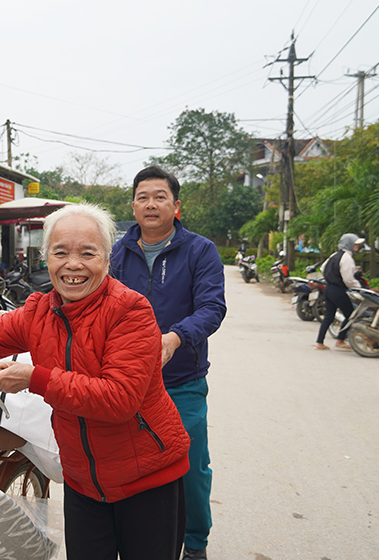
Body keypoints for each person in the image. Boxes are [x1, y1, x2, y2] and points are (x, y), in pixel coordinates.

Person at [0, 203, 191, 560]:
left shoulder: (130, 311)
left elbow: (119, 400)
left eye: (88, 253)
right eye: (61, 252)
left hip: (147, 480)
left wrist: (34, 378)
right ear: (46, 258)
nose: (73, 264)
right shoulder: (38, 311)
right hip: (84, 483)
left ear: (107, 258)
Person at [110, 165, 226, 560]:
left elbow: (212, 307)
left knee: (190, 469)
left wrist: (175, 338)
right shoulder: (116, 253)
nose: (151, 204)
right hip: (125, 384)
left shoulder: (200, 250)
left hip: (181, 381)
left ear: (176, 206)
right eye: (143, 197)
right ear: (133, 205)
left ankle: (195, 544)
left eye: (160, 196)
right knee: (126, 467)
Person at [315, 233, 364, 350]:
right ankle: (340, 340)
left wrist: (332, 276)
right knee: (350, 314)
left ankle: (319, 342)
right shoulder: (347, 258)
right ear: (350, 244)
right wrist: (358, 287)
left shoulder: (334, 255)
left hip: (328, 289)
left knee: (328, 316)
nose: (357, 246)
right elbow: (348, 279)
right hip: (339, 290)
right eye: (355, 244)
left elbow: (323, 267)